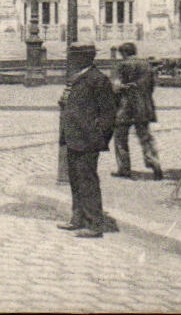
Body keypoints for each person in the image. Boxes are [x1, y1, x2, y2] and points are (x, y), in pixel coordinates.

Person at [58, 44, 118, 238]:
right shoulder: (77, 78)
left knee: (88, 181)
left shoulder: (97, 79)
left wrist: (99, 137)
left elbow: (108, 114)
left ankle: (94, 224)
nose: (70, 60)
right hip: (73, 137)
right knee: (75, 180)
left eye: (73, 56)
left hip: (87, 140)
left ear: (85, 58)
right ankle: (78, 218)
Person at [110, 42, 163, 181]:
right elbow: (151, 86)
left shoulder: (121, 66)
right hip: (143, 106)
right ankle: (154, 163)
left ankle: (124, 168)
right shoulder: (147, 65)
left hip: (125, 106)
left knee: (120, 138)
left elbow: (115, 87)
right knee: (146, 137)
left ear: (124, 53)